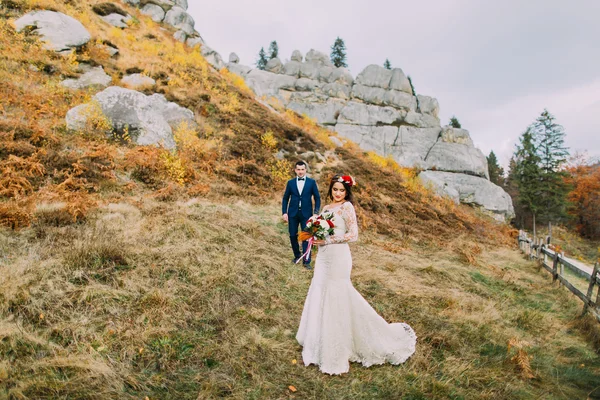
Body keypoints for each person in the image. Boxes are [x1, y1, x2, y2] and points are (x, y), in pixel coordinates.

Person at [296, 174, 417, 375]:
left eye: (341, 190)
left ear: (347, 192)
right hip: (324, 258)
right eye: (335, 189)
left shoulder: (347, 208)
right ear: (330, 190)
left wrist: (328, 241)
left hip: (339, 257)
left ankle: (336, 348)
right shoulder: (326, 209)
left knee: (337, 295)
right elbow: (321, 232)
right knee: (319, 289)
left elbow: (354, 235)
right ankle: (315, 341)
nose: (337, 193)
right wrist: (314, 235)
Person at [282, 161, 321, 269]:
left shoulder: (311, 182)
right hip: (293, 213)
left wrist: (316, 213)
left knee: (306, 236)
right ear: (295, 170)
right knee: (292, 235)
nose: (300, 171)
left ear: (305, 170)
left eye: (302, 169)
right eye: (298, 169)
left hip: (307, 214)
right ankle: (297, 255)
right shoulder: (290, 183)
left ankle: (306, 260)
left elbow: (317, 198)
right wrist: (284, 212)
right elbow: (285, 198)